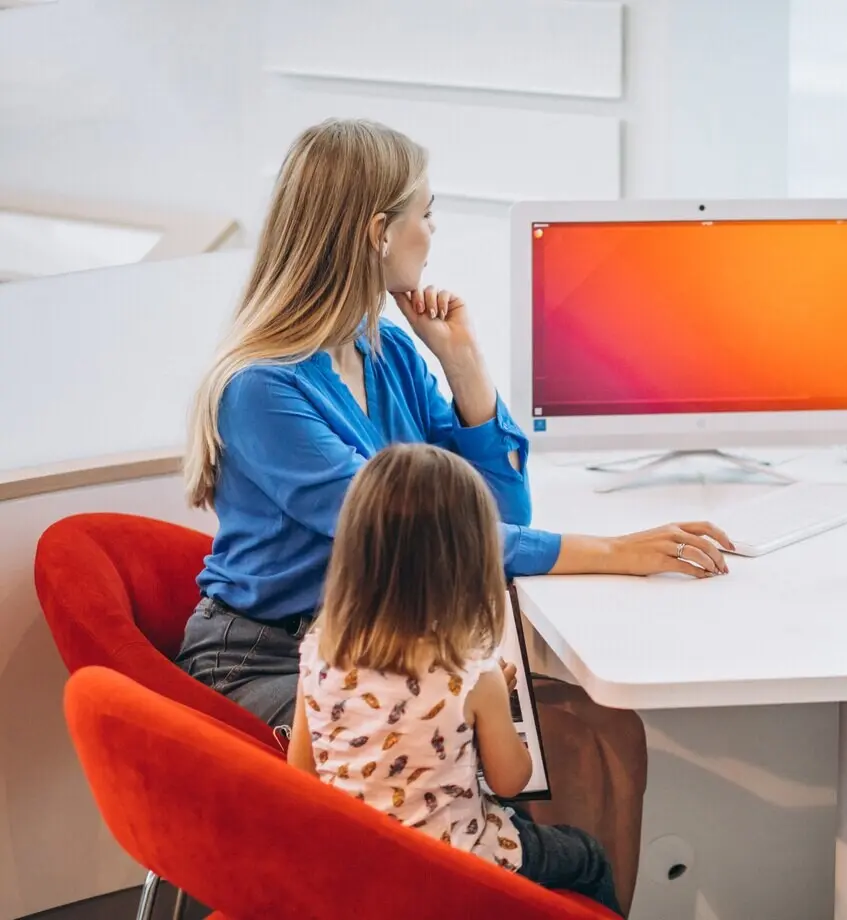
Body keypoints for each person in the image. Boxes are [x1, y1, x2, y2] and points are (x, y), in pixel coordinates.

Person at [177, 118, 733, 911]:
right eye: (425, 215)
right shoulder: (264, 391)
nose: (432, 236)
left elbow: (494, 512)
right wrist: (610, 549)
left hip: (389, 641)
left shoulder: (389, 353)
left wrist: (464, 365)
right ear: (377, 232)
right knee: (562, 744)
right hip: (275, 659)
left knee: (609, 732)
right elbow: (422, 545)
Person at [286, 443, 624, 915]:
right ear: (466, 564)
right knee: (586, 855)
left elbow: (301, 773)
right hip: (454, 869)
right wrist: (496, 706)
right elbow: (511, 780)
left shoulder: (320, 649)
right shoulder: (469, 677)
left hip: (354, 865)